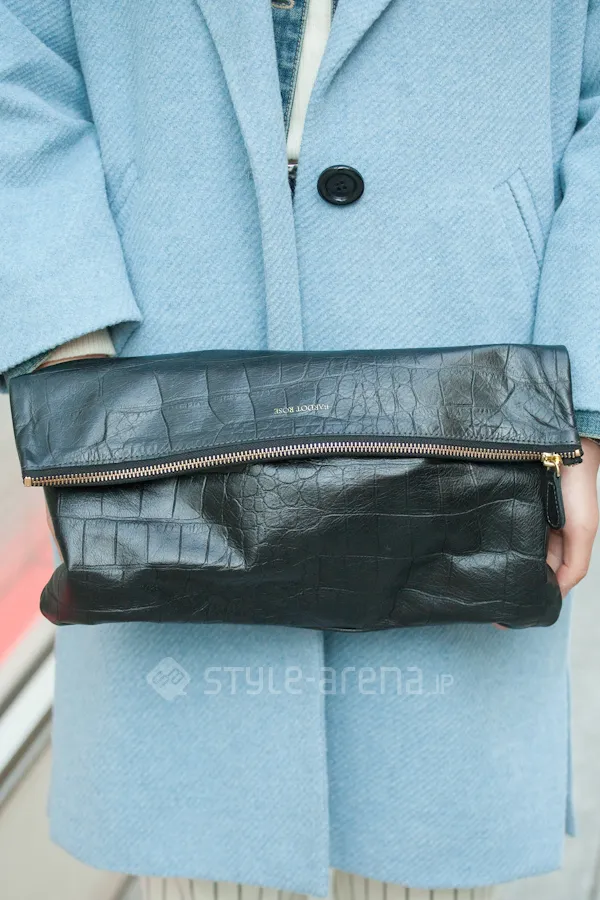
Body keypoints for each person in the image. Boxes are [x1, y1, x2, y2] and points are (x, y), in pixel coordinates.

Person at [1, 1, 599, 899]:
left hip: (474, 399)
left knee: (425, 838)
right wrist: (72, 365)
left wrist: (580, 408)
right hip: (158, 371)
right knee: (208, 851)